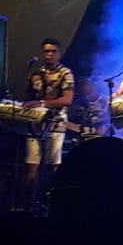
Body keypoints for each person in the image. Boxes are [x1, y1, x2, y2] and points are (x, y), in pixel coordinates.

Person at [23, 38, 75, 210]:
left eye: (53, 51)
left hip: (56, 124)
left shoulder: (65, 73)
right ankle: (30, 206)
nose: (49, 54)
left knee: (54, 166)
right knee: (32, 166)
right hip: (35, 124)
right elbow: (29, 97)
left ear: (59, 53)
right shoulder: (36, 73)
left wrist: (43, 103)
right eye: (46, 51)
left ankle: (55, 205)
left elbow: (67, 99)